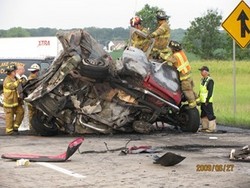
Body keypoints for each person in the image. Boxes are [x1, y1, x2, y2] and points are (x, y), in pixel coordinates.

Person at [161, 40, 197, 108]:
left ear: (173, 48)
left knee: (187, 91)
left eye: (171, 48)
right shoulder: (181, 53)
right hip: (188, 75)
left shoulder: (175, 56)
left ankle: (192, 104)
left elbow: (170, 59)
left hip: (184, 77)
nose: (170, 49)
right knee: (191, 89)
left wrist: (162, 55)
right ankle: (198, 100)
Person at [3, 64, 24, 135]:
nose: (15, 72)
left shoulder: (14, 78)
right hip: (9, 103)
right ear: (10, 72)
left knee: (21, 112)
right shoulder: (7, 80)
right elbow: (12, 86)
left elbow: (20, 85)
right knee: (9, 117)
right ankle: (9, 131)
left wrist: (22, 80)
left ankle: (15, 127)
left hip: (16, 101)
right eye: (14, 71)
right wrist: (19, 81)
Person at [198, 66, 216, 133]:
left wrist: (207, 100)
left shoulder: (210, 80)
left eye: (202, 71)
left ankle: (212, 128)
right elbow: (201, 90)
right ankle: (204, 127)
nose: (201, 72)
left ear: (206, 72)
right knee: (203, 114)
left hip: (207, 101)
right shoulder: (202, 80)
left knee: (210, 114)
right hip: (202, 101)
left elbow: (210, 92)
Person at [27, 63, 40, 131]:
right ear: (36, 71)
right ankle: (31, 128)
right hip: (32, 100)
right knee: (32, 113)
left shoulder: (32, 78)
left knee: (33, 113)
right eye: (38, 71)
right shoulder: (32, 79)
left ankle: (32, 127)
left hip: (32, 99)